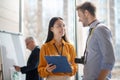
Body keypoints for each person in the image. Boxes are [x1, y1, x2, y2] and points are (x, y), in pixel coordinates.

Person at [76, 2, 115, 80]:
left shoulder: (101, 29)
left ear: (86, 13)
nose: (79, 20)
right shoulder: (92, 30)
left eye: (80, 16)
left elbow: (109, 59)